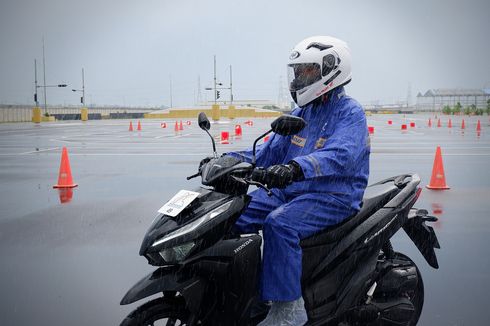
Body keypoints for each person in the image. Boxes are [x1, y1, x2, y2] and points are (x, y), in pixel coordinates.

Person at [228, 36, 370, 325]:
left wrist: (294, 167)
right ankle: (242, 293)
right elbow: (268, 151)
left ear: (330, 70)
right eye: (298, 71)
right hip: (292, 191)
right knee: (232, 212)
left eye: (307, 71)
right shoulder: (301, 112)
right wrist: (227, 161)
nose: (299, 78)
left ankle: (288, 311)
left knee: (279, 225)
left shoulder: (350, 112)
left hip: (333, 196)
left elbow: (340, 155)